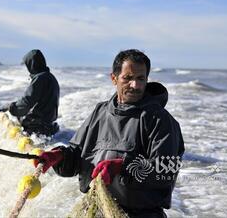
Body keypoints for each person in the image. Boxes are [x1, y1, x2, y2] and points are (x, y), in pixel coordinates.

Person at [34, 49, 185, 217]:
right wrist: (59, 156)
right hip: (97, 209)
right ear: (114, 78)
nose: (135, 85)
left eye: (140, 78)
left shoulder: (161, 120)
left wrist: (122, 167)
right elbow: (78, 156)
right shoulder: (100, 112)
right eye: (128, 78)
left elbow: (165, 170)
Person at [0, 49, 60, 136]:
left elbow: (26, 103)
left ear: (32, 64)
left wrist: (9, 107)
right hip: (49, 125)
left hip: (38, 128)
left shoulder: (39, 78)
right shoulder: (51, 78)